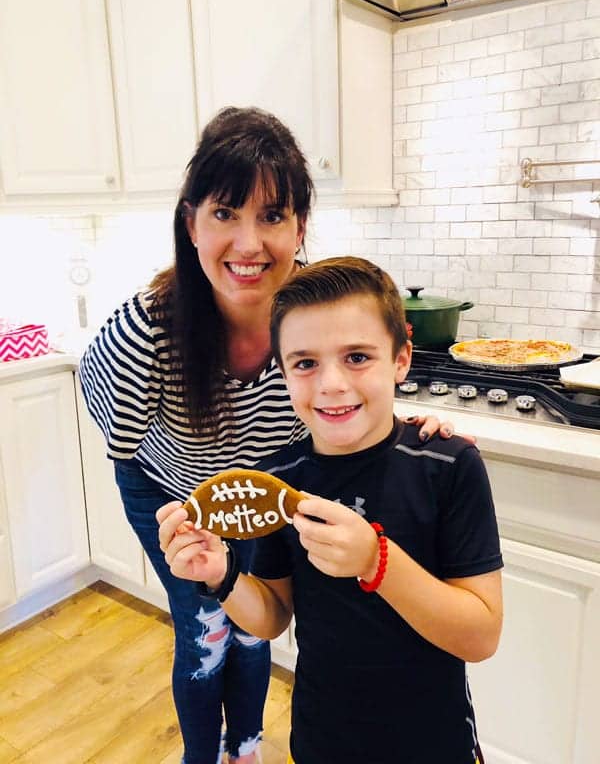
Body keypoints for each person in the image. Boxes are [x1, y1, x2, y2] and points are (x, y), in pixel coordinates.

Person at [79, 107, 459, 764]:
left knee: (254, 627)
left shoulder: (308, 315)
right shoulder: (148, 329)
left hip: (265, 487)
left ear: (300, 226)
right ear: (191, 221)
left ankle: (246, 748)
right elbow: (111, 425)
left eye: (272, 216)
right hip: (166, 485)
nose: (249, 243)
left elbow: (354, 390)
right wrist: (186, 504)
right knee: (205, 628)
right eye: (225, 214)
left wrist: (414, 429)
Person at [157, 255, 504, 764]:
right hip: (324, 739)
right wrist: (221, 576)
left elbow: (480, 635)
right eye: (305, 363)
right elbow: (273, 617)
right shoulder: (281, 482)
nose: (332, 384)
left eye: (358, 357)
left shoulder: (447, 466)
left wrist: (375, 562)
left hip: (434, 740)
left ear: (402, 359)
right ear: (283, 371)